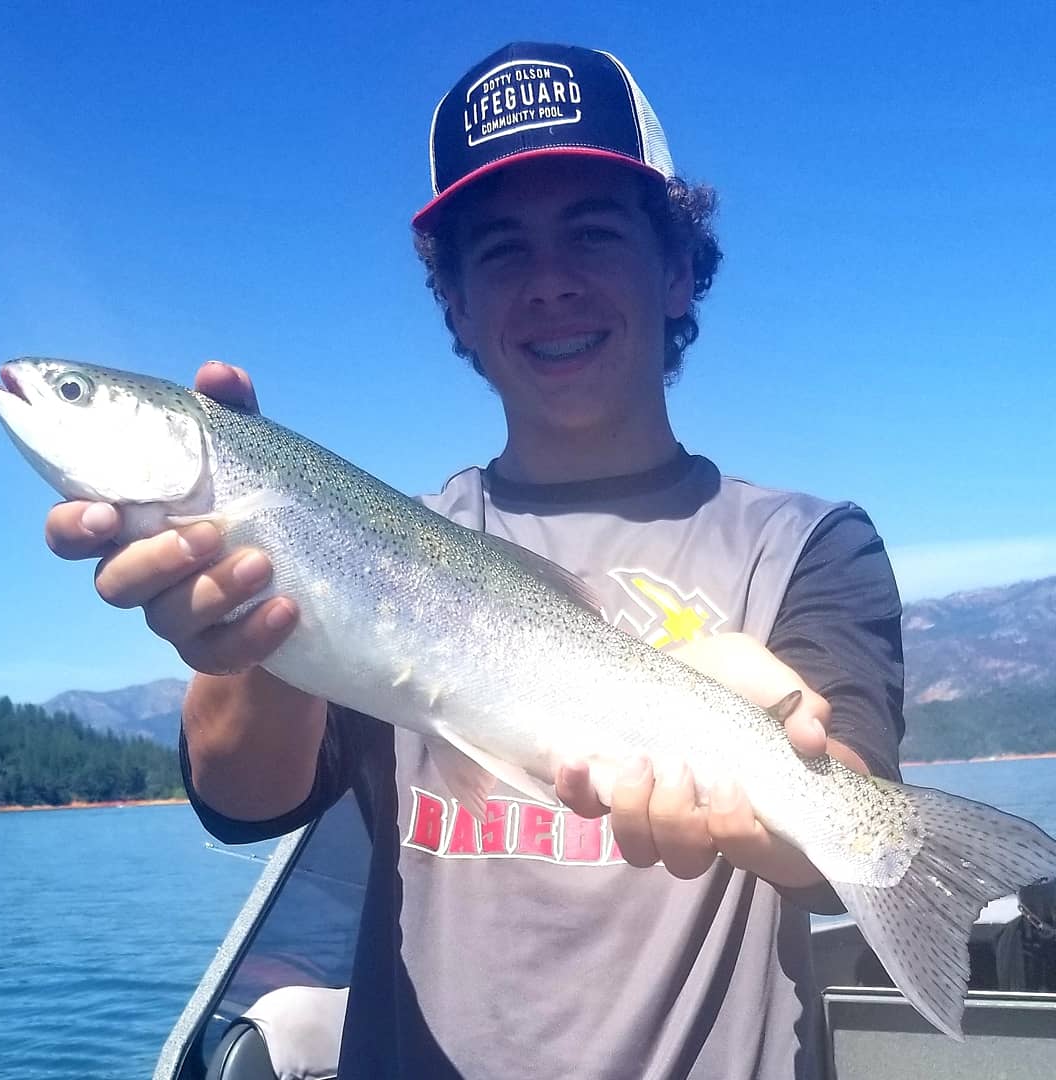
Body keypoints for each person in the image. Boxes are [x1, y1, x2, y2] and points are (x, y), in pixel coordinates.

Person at [45, 42, 904, 1080]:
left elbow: (856, 818)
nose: (549, 284)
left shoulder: (808, 543)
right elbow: (246, 802)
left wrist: (788, 794)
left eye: (591, 233)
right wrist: (239, 631)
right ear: (453, 302)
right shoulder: (383, 546)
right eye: (500, 251)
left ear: (677, 268)